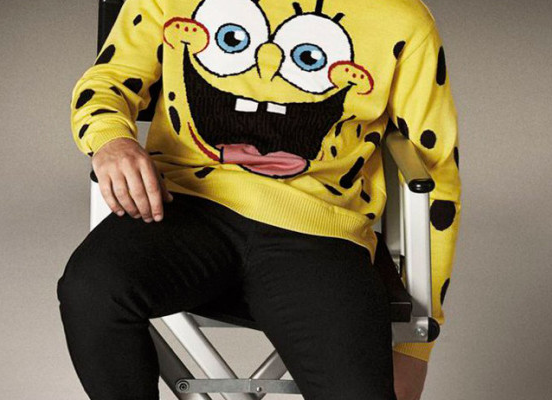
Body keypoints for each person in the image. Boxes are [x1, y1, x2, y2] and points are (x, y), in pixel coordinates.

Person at [57, 0, 461, 399]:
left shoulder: (401, 17)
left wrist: (416, 347)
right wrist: (111, 140)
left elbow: (437, 174)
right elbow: (108, 81)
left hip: (320, 231)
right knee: (91, 290)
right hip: (184, 205)